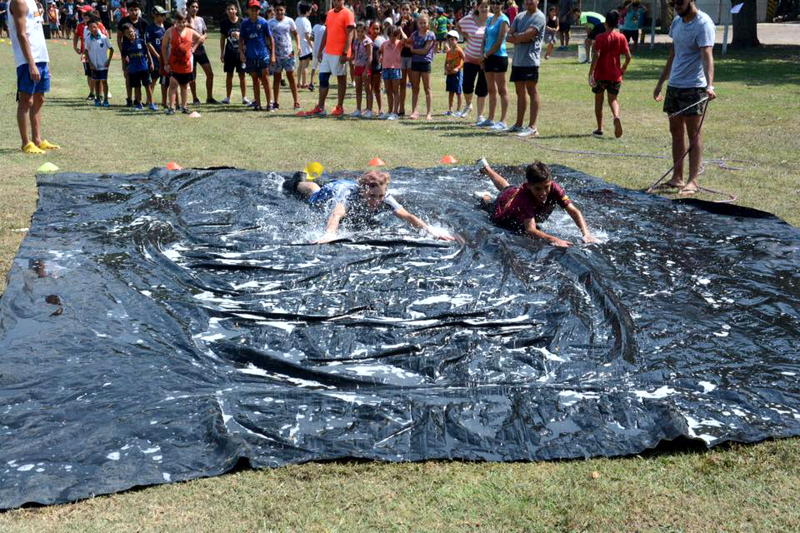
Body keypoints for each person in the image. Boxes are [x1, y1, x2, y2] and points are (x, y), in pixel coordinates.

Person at [285, 170, 456, 244]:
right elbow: (337, 214)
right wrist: (329, 234)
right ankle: (299, 181)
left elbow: (407, 216)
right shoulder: (349, 196)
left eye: (380, 196)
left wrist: (430, 230)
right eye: (372, 196)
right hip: (334, 190)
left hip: (350, 183)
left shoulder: (385, 197)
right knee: (313, 194)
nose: (376, 200)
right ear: (363, 191)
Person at [653, 0, 716, 196]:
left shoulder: (703, 23)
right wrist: (661, 81)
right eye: (673, 4)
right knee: (675, 131)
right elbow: (673, 54)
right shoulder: (677, 23)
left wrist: (709, 85)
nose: (676, 6)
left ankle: (693, 181)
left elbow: (707, 56)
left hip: (694, 87)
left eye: (679, 3)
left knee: (693, 134)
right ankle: (677, 178)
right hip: (675, 85)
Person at [475, 160, 598, 247]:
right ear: (528, 186)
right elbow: (530, 230)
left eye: (546, 187)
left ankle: (487, 169)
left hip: (514, 194)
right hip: (503, 214)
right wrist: (553, 239)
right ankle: (485, 197)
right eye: (538, 189)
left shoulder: (554, 187)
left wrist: (586, 234)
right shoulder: (524, 200)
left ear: (550, 182)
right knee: (490, 204)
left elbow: (574, 211)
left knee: (508, 187)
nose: (544, 192)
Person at [9, 0, 58, 153]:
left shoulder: (33, 2)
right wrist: (31, 63)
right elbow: (21, 34)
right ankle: (26, 143)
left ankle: (37, 140)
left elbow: (37, 32)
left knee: (39, 99)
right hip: (27, 60)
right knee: (26, 100)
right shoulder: (18, 2)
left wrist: (45, 62)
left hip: (40, 58)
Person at [304, 0, 355, 117]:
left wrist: (345, 52)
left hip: (340, 53)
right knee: (323, 77)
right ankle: (321, 107)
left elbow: (350, 35)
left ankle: (339, 107)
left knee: (341, 80)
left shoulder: (348, 13)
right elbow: (327, 32)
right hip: (328, 52)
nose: (337, 2)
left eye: (339, 0)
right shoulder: (330, 13)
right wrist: (321, 49)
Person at [588, 10, 630, 138]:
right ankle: (616, 116)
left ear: (605, 23)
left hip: (600, 75)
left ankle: (600, 129)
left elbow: (596, 55)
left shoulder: (600, 37)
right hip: (615, 75)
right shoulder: (621, 37)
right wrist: (623, 68)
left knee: (598, 100)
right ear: (617, 22)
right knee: (613, 100)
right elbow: (628, 56)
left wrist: (591, 72)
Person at [507, 0, 544, 137]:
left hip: (530, 61)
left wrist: (519, 36)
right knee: (519, 93)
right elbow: (508, 36)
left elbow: (526, 35)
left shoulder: (539, 17)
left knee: (532, 91)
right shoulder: (519, 16)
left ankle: (532, 127)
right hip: (517, 61)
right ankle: (518, 125)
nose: (528, 1)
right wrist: (521, 37)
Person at [161, 10, 205, 115]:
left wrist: (194, 47)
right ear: (175, 21)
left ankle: (184, 107)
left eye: (184, 22)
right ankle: (172, 107)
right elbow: (163, 47)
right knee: (173, 85)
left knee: (184, 86)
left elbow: (201, 38)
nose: (182, 24)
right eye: (179, 22)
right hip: (173, 64)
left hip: (186, 65)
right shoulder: (170, 32)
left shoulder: (190, 31)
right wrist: (166, 63)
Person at [479, 0, 510, 131]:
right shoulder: (490, 19)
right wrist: (482, 55)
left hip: (498, 57)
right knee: (491, 90)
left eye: (499, 3)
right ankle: (490, 119)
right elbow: (484, 39)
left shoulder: (504, 20)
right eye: (494, 3)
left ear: (502, 5)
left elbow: (499, 42)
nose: (496, 5)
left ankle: (503, 121)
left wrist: (485, 55)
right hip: (488, 57)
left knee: (502, 90)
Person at [455, 1, 488, 121]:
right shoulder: (469, 19)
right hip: (470, 58)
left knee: (482, 88)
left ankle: (480, 115)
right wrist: (465, 35)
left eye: (486, 6)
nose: (484, 9)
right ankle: (469, 105)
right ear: (477, 7)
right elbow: (458, 25)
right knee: (467, 86)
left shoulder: (492, 20)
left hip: (485, 60)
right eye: (481, 6)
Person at [239, 0, 274, 112]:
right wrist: (241, 53)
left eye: (257, 9)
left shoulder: (263, 22)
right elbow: (241, 39)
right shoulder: (245, 23)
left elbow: (271, 38)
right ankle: (257, 104)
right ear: (248, 10)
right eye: (252, 9)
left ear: (259, 10)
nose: (254, 11)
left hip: (263, 56)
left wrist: (272, 55)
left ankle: (269, 104)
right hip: (250, 56)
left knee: (266, 79)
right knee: (255, 80)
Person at [268, 0, 301, 110]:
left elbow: (296, 34)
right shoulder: (270, 23)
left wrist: (299, 46)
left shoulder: (290, 21)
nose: (279, 12)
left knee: (291, 78)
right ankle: (276, 103)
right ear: (274, 11)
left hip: (288, 55)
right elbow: (267, 38)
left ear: (285, 10)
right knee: (276, 79)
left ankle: (296, 102)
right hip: (276, 55)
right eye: (277, 10)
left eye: (281, 10)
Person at [186, 0, 217, 104]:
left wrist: (203, 37)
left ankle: (209, 98)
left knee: (210, 73)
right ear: (188, 7)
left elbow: (205, 33)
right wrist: (199, 38)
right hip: (190, 50)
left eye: (196, 7)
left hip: (200, 49)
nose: (195, 9)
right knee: (192, 76)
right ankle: (195, 98)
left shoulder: (201, 19)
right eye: (193, 7)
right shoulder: (184, 20)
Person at [117, 1, 147, 107]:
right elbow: (119, 38)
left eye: (136, 10)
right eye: (131, 10)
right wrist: (123, 53)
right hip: (128, 55)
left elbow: (146, 41)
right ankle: (129, 99)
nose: (134, 12)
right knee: (128, 77)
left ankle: (138, 100)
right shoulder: (123, 21)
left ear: (139, 10)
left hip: (139, 55)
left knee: (140, 78)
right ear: (127, 10)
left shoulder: (143, 22)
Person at [218, 1, 248, 105]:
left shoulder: (243, 22)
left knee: (242, 75)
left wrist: (240, 35)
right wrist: (222, 53)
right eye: (228, 9)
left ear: (236, 10)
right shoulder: (224, 23)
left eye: (232, 9)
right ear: (226, 11)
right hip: (229, 53)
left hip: (240, 53)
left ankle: (244, 97)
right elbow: (222, 39)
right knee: (229, 75)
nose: (231, 11)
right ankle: (227, 97)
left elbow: (246, 37)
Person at [74, 6, 106, 101]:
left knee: (98, 73)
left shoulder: (99, 25)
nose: (83, 15)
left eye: (85, 13)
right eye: (82, 14)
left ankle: (100, 93)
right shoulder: (81, 26)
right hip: (87, 55)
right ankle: (92, 92)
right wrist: (75, 47)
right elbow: (76, 36)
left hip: (98, 54)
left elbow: (105, 37)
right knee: (89, 74)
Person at [407, 12, 434, 120]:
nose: (422, 25)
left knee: (427, 88)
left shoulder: (431, 35)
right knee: (415, 88)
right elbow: (406, 42)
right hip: (415, 63)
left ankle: (429, 113)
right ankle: (414, 111)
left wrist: (413, 49)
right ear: (417, 23)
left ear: (428, 23)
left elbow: (425, 50)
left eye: (424, 23)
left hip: (425, 63)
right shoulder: (414, 35)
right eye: (420, 23)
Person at [121, 21, 153, 110]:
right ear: (124, 34)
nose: (130, 34)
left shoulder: (141, 41)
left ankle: (151, 103)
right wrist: (124, 68)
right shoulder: (125, 45)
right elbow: (124, 57)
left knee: (147, 86)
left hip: (144, 68)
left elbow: (147, 52)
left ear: (134, 31)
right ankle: (139, 104)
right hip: (133, 70)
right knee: (137, 87)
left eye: (131, 31)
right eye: (127, 33)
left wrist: (151, 62)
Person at [83, 16, 113, 107]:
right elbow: (86, 51)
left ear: (98, 27)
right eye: (91, 27)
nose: (93, 29)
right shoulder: (88, 39)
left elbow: (111, 49)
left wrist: (108, 61)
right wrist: (90, 63)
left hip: (103, 64)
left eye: (95, 27)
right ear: (88, 28)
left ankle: (106, 100)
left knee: (104, 81)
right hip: (94, 65)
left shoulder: (104, 38)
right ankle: (97, 99)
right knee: (96, 82)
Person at [145, 6, 169, 109]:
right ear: (155, 15)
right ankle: (149, 101)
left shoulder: (166, 26)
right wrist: (157, 56)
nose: (164, 17)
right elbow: (148, 43)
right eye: (162, 15)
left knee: (165, 81)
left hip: (166, 58)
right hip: (156, 59)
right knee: (153, 79)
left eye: (165, 14)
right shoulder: (150, 28)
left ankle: (165, 102)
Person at [379, 24, 403, 120]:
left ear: (397, 35)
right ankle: (389, 111)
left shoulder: (399, 43)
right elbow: (380, 51)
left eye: (394, 35)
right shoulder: (384, 44)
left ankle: (395, 112)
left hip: (396, 69)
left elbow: (405, 39)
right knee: (388, 91)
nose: (392, 37)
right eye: (390, 35)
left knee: (395, 91)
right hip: (385, 69)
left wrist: (401, 30)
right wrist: (379, 57)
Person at [349, 21, 372, 117]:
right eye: (358, 31)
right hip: (357, 67)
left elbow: (370, 56)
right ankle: (358, 109)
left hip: (365, 67)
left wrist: (366, 70)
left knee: (368, 89)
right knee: (358, 89)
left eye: (362, 31)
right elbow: (355, 53)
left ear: (365, 31)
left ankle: (369, 109)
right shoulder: (356, 41)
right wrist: (350, 58)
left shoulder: (367, 41)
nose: (360, 33)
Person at [365, 19, 385, 118]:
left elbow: (385, 52)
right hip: (367, 67)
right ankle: (369, 109)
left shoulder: (382, 40)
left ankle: (381, 109)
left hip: (377, 67)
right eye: (374, 28)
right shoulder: (366, 38)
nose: (376, 31)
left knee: (377, 89)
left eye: (377, 29)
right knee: (369, 89)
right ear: (370, 28)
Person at [396, 2, 414, 116]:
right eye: (403, 9)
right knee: (402, 84)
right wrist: (400, 28)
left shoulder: (415, 23)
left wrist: (405, 42)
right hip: (401, 56)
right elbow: (396, 42)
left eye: (407, 9)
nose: (405, 11)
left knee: (414, 84)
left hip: (412, 56)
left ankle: (414, 110)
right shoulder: (397, 24)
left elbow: (411, 40)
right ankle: (401, 109)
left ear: (411, 10)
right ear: (400, 10)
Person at [443, 29, 463, 116]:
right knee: (451, 92)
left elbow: (464, 60)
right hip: (450, 75)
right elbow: (446, 62)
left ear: (457, 40)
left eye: (452, 39)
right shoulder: (448, 52)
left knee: (458, 93)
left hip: (457, 75)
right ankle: (450, 110)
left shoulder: (459, 50)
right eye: (449, 40)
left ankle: (458, 111)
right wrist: (446, 70)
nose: (450, 41)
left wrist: (458, 68)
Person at [295, 2, 313, 89]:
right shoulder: (306, 21)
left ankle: (298, 82)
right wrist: (312, 45)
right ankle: (304, 83)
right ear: (306, 11)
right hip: (306, 45)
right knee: (305, 65)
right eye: (310, 10)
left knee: (300, 65)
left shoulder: (297, 19)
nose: (310, 12)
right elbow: (307, 35)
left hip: (300, 44)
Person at [309, 11, 326, 92]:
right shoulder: (326, 28)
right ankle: (321, 84)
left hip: (315, 50)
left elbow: (311, 38)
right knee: (322, 68)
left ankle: (311, 83)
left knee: (314, 67)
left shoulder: (315, 26)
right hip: (323, 51)